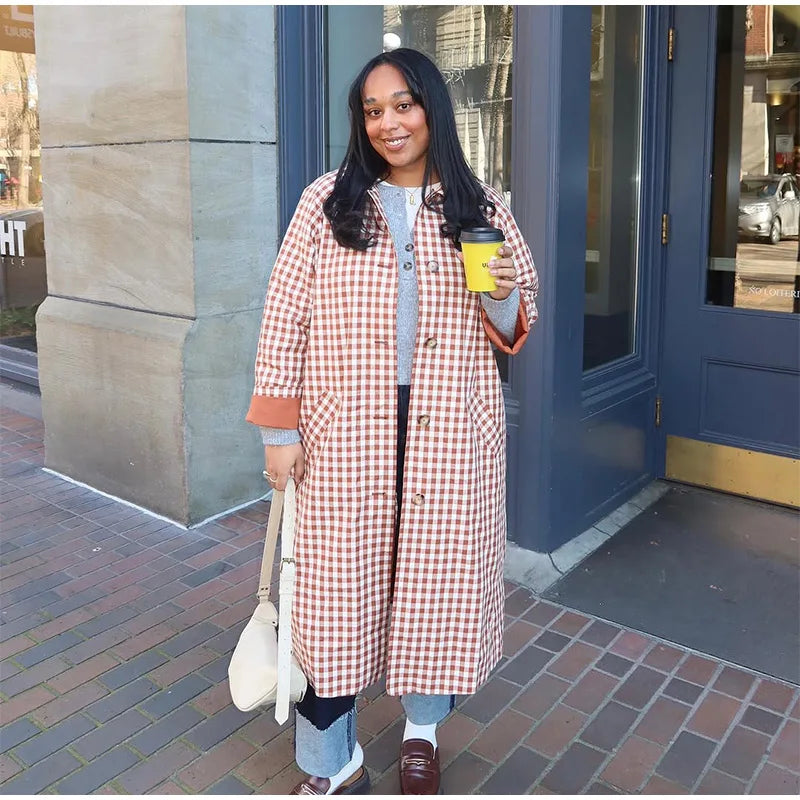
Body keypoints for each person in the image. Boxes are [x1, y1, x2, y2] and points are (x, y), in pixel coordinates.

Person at [246, 47, 539, 795]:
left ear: (432, 108)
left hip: (451, 432)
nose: (388, 123)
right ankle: (330, 763)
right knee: (331, 602)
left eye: (403, 104)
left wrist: (500, 290)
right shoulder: (326, 202)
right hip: (345, 433)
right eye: (373, 111)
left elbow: (513, 322)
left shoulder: (482, 206)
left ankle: (421, 729)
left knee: (436, 591)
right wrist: (281, 433)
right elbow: (284, 320)